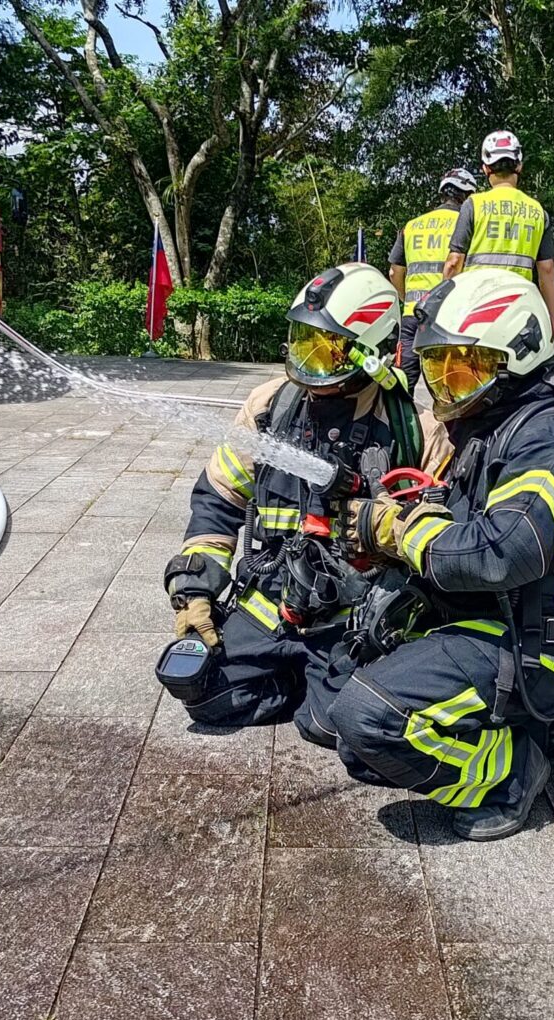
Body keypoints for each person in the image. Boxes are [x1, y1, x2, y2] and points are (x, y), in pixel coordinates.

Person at [329, 268, 554, 842]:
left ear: (519, 356)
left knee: (368, 719)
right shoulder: (492, 426)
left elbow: (503, 553)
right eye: (439, 368)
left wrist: (396, 531)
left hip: (536, 649)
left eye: (467, 367)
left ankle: (509, 772)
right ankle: (532, 732)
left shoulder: (551, 441)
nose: (448, 385)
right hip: (491, 622)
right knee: (342, 725)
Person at [164, 263, 448, 744]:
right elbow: (217, 499)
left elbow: (443, 543)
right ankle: (297, 678)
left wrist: (391, 533)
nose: (307, 359)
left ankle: (322, 687)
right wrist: (194, 591)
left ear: (371, 353)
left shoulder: (416, 430)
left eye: (326, 348)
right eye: (302, 340)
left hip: (349, 617)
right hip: (268, 605)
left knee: (332, 724)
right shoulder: (268, 406)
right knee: (204, 693)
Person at [443, 131, 554, 332]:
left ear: (485, 168)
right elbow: (546, 270)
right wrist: (550, 318)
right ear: (519, 165)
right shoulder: (538, 211)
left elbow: (454, 263)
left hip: (473, 310)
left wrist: (442, 307)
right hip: (519, 312)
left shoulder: (473, 205)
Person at [388, 167, 477, 390]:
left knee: (400, 385)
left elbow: (394, 272)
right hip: (449, 318)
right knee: (451, 388)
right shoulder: (466, 224)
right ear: (466, 196)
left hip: (412, 315)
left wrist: (406, 298)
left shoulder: (411, 226)